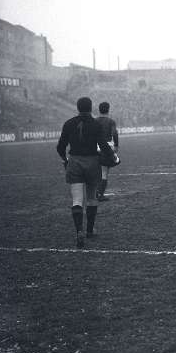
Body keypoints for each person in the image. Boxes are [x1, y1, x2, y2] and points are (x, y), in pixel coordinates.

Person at [56, 97, 117, 248]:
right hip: (92, 162)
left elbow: (60, 146)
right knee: (91, 198)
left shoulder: (68, 123)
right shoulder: (96, 124)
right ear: (91, 108)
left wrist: (65, 159)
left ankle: (79, 231)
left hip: (75, 162)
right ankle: (90, 230)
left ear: (78, 108)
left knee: (77, 200)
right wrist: (113, 157)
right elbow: (103, 145)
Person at [96, 101, 119, 201]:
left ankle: (95, 192)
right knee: (104, 172)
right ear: (108, 110)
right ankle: (100, 194)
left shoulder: (94, 121)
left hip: (95, 147)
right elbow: (114, 133)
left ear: (99, 110)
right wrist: (116, 145)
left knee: (97, 171)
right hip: (107, 147)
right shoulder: (111, 121)